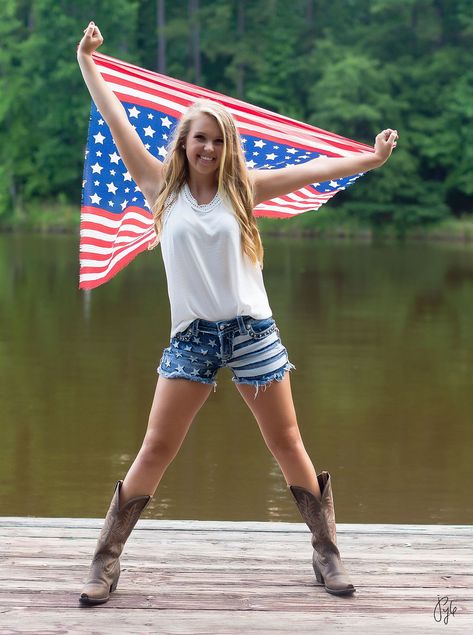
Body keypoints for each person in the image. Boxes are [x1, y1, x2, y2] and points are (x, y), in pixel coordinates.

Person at [77, 22, 398, 605]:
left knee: (287, 442)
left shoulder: (242, 190)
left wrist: (368, 161)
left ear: (228, 147)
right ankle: (105, 560)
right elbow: (117, 119)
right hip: (191, 339)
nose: (208, 148)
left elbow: (314, 170)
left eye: (218, 140)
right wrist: (89, 63)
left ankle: (326, 554)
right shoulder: (158, 188)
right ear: (184, 142)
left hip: (252, 331)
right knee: (155, 448)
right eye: (199, 138)